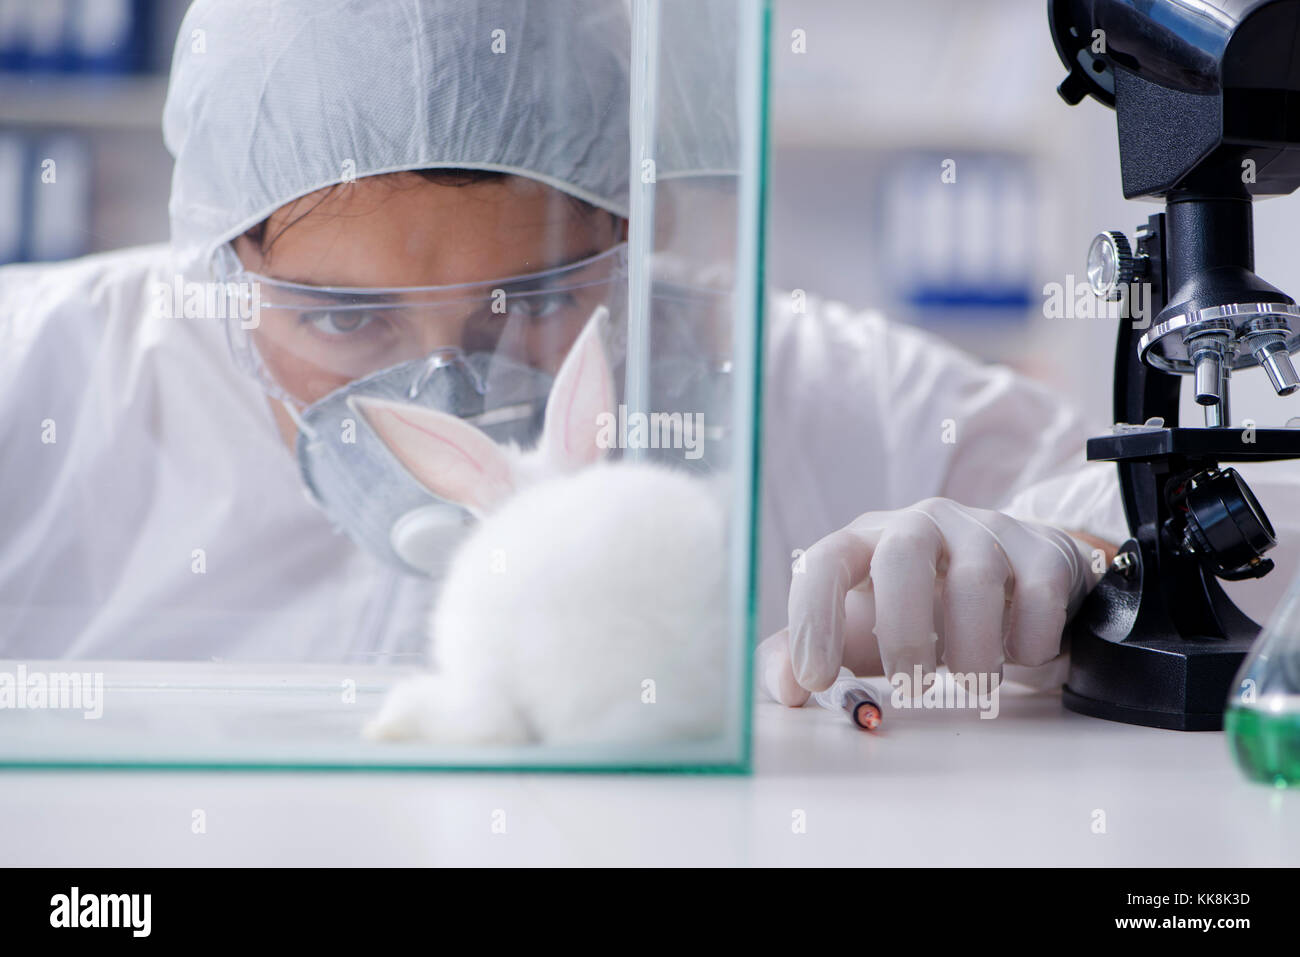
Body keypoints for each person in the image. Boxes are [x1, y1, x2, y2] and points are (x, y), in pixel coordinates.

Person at [7, 0, 1284, 708]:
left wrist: (1085, 567)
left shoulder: (777, 374)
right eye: (344, 321)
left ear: (630, 239)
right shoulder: (53, 376)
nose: (446, 387)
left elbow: (1240, 536)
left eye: (529, 304)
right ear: (224, 267)